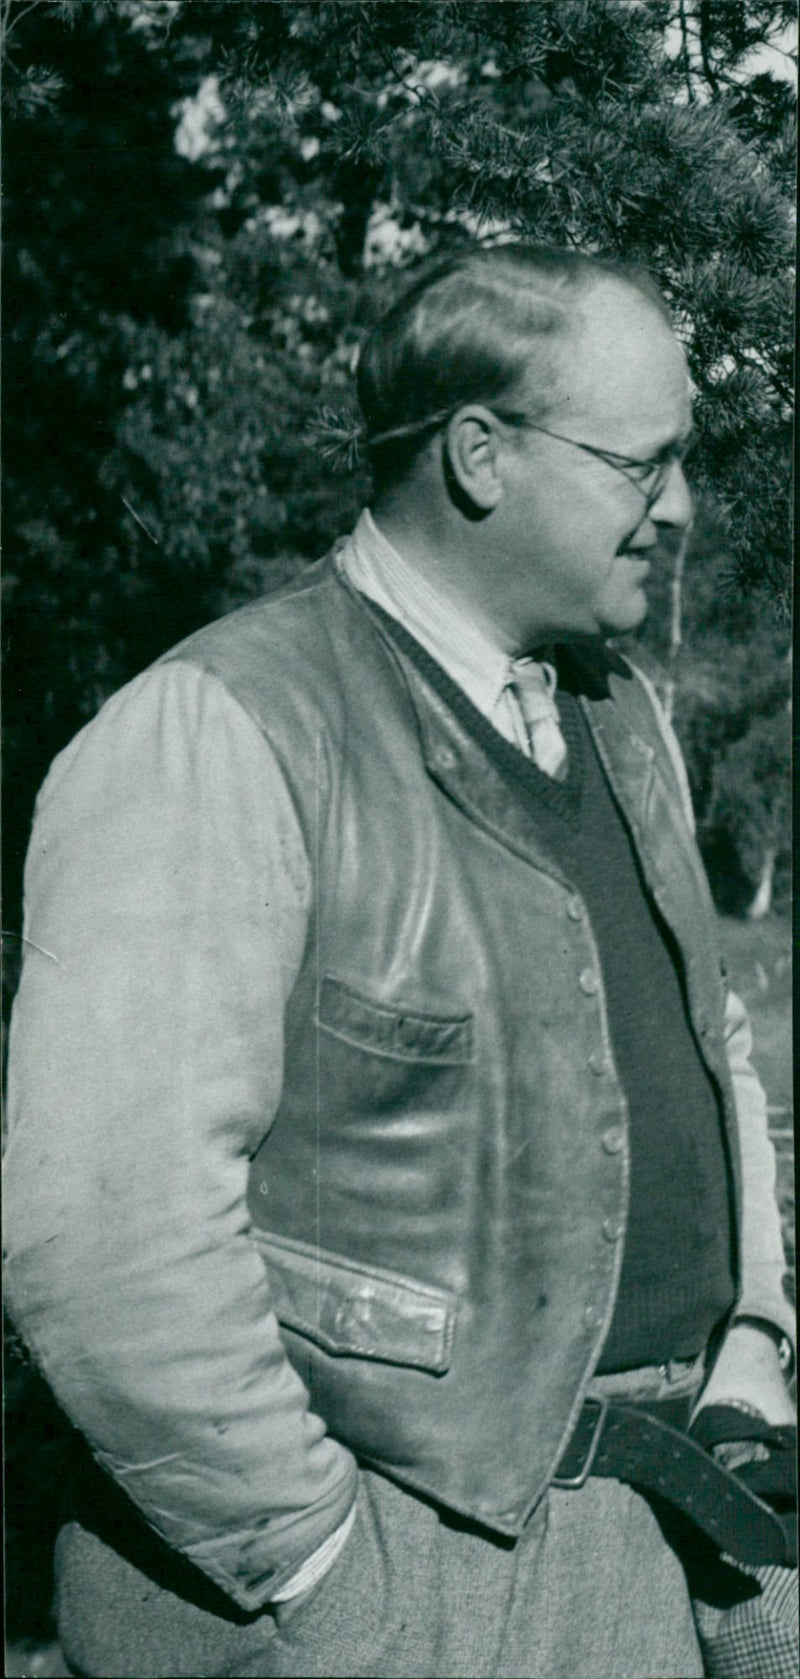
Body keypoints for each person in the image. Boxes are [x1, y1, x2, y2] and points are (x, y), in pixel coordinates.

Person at [4, 245, 795, 1679]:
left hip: (652, 1523)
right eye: (643, 464)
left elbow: (709, 1044)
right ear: (480, 456)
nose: (679, 508)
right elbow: (109, 1245)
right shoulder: (219, 731)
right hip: (378, 1579)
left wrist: (752, 1335)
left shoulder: (622, 716)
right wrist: (322, 1572)